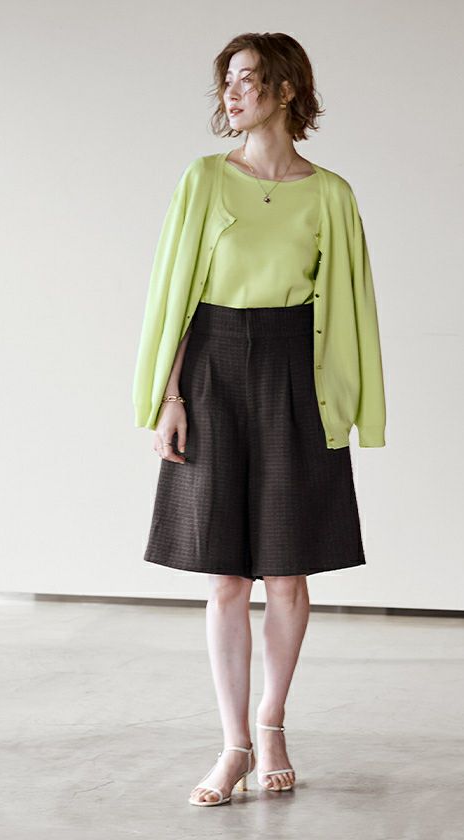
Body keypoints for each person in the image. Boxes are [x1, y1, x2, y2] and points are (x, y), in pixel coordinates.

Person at [131, 32, 386, 807]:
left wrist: (344, 403)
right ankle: (234, 743)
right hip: (211, 368)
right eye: (228, 81)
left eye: (248, 79)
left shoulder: (330, 193)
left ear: (286, 89)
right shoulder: (205, 178)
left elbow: (348, 305)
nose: (232, 93)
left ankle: (271, 726)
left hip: (293, 373)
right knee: (225, 573)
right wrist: (169, 397)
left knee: (287, 570)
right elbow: (176, 292)